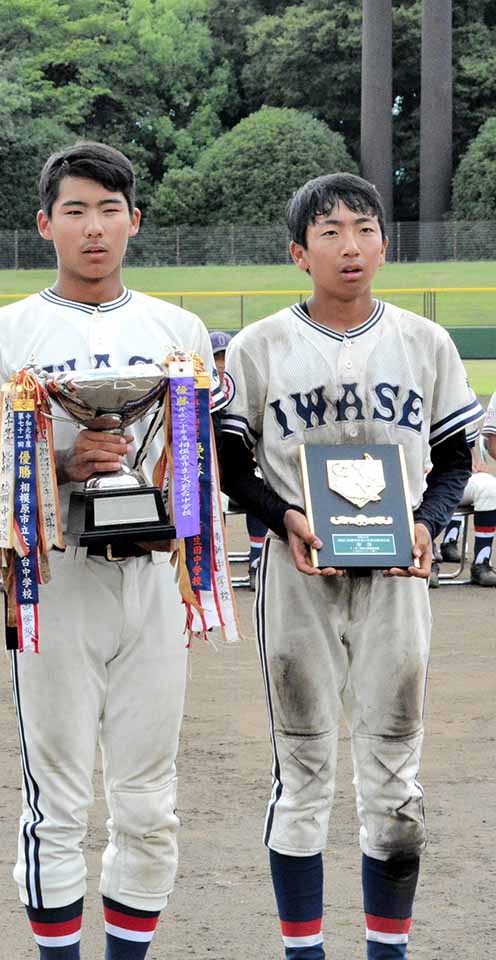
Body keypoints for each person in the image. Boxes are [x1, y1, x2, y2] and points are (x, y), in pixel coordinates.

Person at [0, 141, 222, 960]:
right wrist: (63, 461)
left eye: (109, 210)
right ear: (46, 224)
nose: (93, 227)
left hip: (154, 580)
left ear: (134, 221)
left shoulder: (179, 330)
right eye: (75, 210)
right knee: (58, 800)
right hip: (53, 576)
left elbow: (199, 460)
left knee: (148, 801)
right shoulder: (4, 333)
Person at [216, 173, 479, 960]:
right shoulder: (260, 346)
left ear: (385, 246)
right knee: (301, 767)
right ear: (300, 254)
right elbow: (229, 464)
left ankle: (384, 951)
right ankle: (304, 951)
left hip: (398, 579)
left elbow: (454, 458)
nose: (350, 246)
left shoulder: (425, 343)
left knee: (395, 768)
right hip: (298, 573)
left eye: (364, 229)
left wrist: (428, 525)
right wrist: (285, 518)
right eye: (329, 232)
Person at [210, 329, 269, 590]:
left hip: (240, 474)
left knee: (260, 487)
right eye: (216, 359)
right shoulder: (200, 394)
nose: (222, 365)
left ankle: (257, 558)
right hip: (214, 472)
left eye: (225, 359)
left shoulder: (245, 391)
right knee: (210, 497)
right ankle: (214, 560)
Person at [434, 393, 496, 586]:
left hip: (454, 474)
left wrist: (476, 460)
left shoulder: (460, 393)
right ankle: (428, 560)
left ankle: (481, 564)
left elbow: (470, 439)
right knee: (415, 488)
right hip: (420, 476)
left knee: (488, 486)